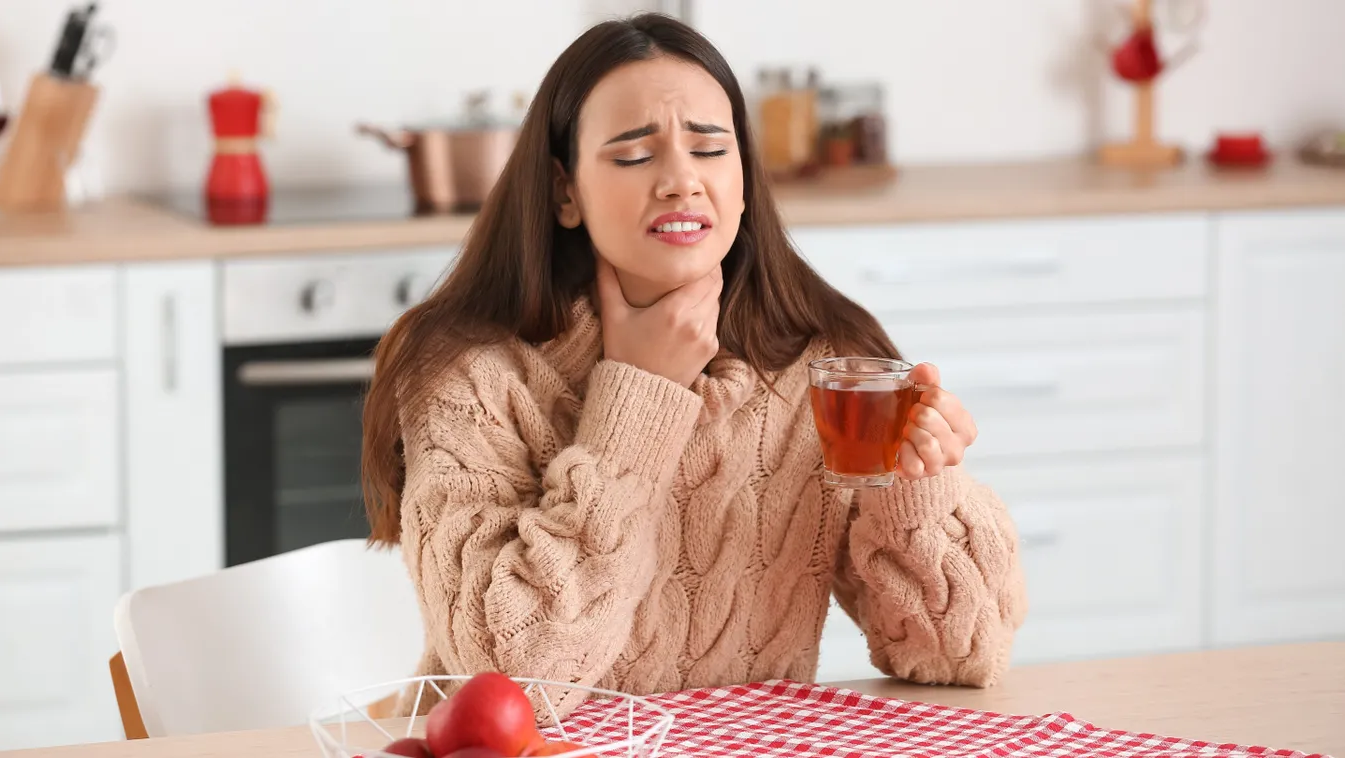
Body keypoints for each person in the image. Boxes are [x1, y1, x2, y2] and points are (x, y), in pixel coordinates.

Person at [362, 13, 1026, 718]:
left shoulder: (825, 359)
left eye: (711, 150)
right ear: (564, 192)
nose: (682, 181)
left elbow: (959, 657)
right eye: (632, 156)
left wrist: (918, 486)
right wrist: (638, 398)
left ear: (744, 179)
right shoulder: (467, 372)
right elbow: (514, 683)